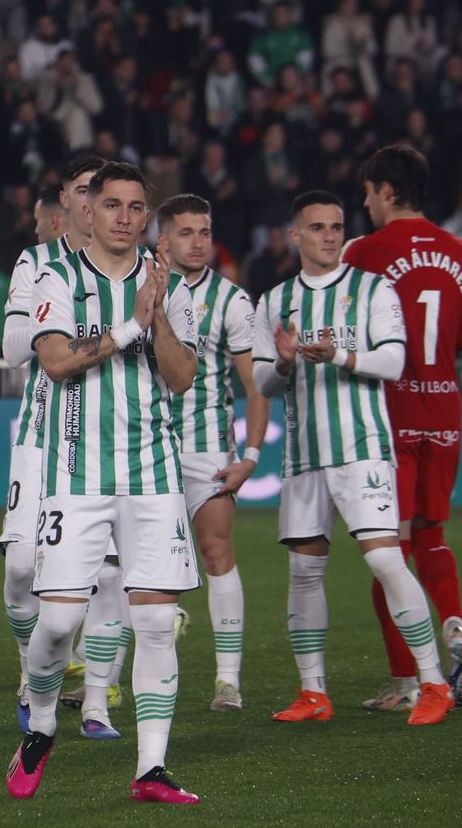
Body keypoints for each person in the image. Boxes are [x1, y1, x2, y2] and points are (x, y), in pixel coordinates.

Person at [7, 160, 201, 805]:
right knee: (60, 623)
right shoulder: (56, 278)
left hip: (153, 475)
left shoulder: (168, 284)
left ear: (147, 216)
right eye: (110, 204)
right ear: (87, 210)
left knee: (155, 620)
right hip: (77, 475)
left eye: (135, 207)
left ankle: (151, 768)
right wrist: (129, 328)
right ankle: (38, 724)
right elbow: (57, 362)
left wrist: (160, 318)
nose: (123, 217)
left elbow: (180, 378)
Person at [252, 190, 454, 728]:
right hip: (303, 456)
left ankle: (434, 682)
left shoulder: (373, 291)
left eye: (337, 226)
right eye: (317, 228)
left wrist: (338, 354)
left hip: (362, 450)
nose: (329, 236)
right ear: (295, 236)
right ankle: (313, 692)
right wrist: (287, 361)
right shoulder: (274, 301)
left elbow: (394, 361)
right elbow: (262, 381)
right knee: (303, 572)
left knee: (387, 559)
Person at [345, 147, 462, 710]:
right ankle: (453, 622)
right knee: (431, 534)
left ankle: (406, 680)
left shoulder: (364, 252)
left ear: (388, 191)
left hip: (391, 413)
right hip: (445, 410)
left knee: (388, 548)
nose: (366, 203)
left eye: (369, 192)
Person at [0, 157, 124, 738]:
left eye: (103, 193)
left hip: (105, 440)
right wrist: (70, 330)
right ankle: (33, 670)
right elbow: (12, 349)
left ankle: (96, 701)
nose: (94, 201)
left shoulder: (134, 268)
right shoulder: (38, 262)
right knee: (22, 568)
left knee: (108, 576)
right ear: (69, 203)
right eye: (83, 191)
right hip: (39, 439)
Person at [156, 194, 269, 712]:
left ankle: (228, 681)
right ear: (164, 239)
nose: (198, 242)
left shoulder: (233, 300)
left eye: (204, 232)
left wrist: (250, 453)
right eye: (186, 232)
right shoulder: (139, 286)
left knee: (218, 552)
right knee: (121, 565)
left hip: (207, 451)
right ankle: (103, 679)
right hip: (147, 446)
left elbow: (255, 384)